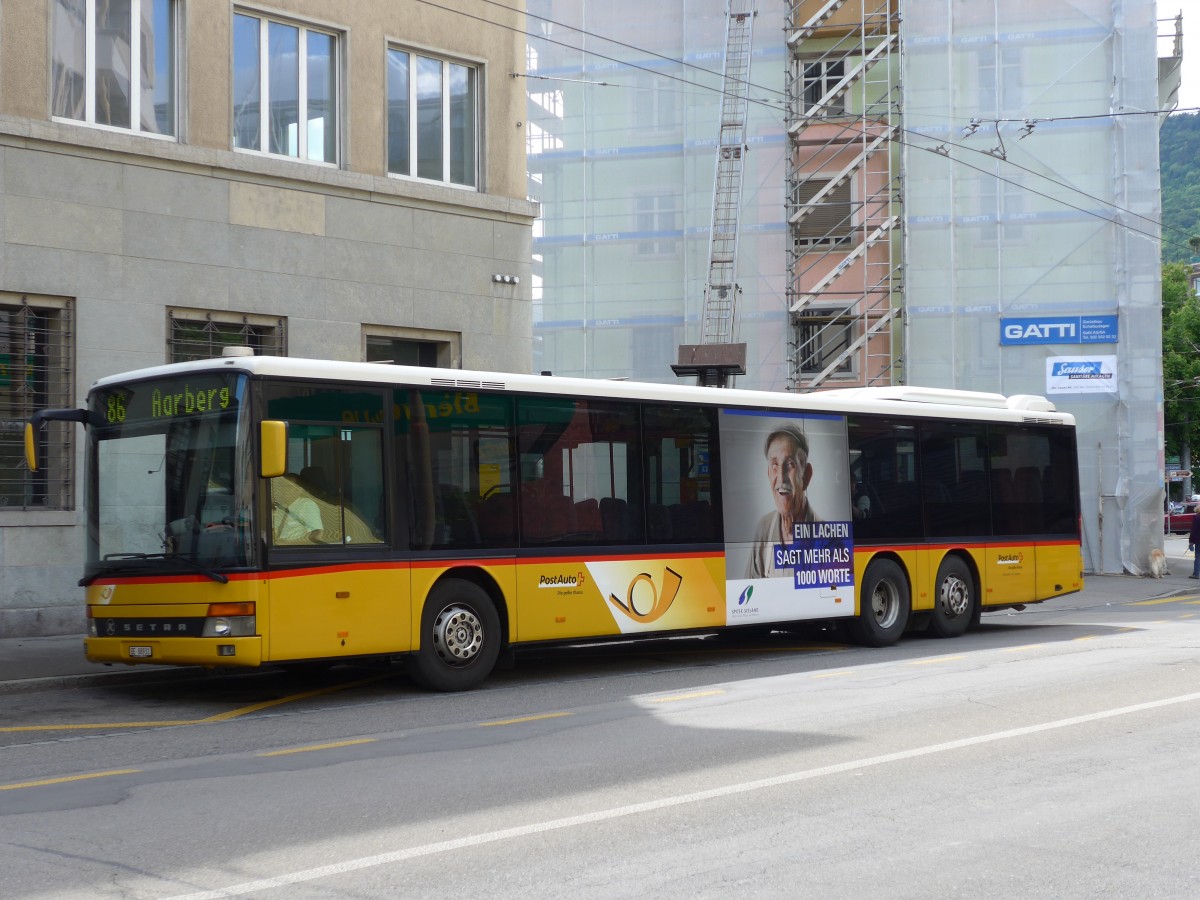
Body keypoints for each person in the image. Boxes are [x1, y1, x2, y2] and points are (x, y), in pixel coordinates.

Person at [745, 422, 819, 578]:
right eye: (774, 465)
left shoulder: (828, 538)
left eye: (790, 464)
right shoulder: (764, 528)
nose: (781, 477)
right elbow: (750, 587)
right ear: (768, 474)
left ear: (806, 475)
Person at [272, 469, 326, 544]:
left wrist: (288, 543)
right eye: (282, 486)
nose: (284, 490)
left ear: (299, 490)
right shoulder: (279, 507)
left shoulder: (307, 504)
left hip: (297, 548)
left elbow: (317, 533)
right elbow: (274, 531)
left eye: (288, 487)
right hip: (278, 547)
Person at [1189, 513, 1200, 579]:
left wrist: (1191, 542)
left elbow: (1194, 530)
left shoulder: (1197, 517)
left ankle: (1196, 574)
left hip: (1198, 540)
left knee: (1198, 557)